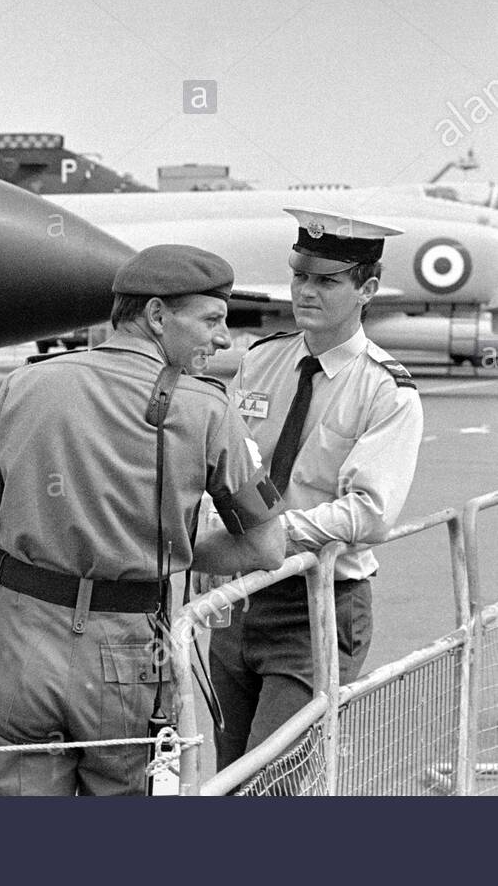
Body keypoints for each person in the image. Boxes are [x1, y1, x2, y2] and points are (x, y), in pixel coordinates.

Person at [0, 244, 287, 796]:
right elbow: (266, 548)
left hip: (19, 643)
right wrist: (174, 546)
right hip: (130, 654)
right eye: (211, 320)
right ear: (157, 316)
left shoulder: (25, 384)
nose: (223, 338)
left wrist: (38, 592)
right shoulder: (208, 409)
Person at [209, 208, 425, 770]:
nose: (306, 290)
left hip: (316, 604)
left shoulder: (386, 391)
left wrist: (271, 532)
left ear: (367, 289)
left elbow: (369, 512)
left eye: (327, 280)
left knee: (272, 778)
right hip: (238, 601)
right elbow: (224, 466)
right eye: (301, 275)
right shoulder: (261, 361)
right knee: (231, 774)